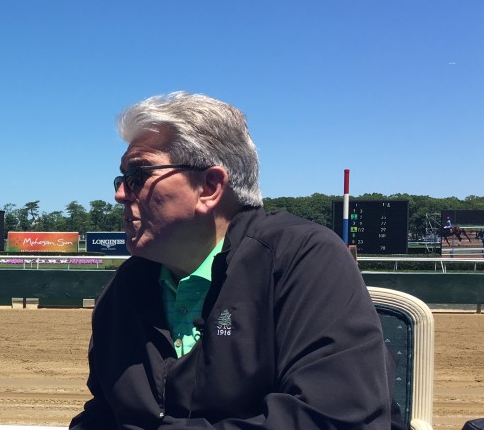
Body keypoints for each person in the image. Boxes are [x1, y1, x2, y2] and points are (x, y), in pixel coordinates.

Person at [70, 92, 401, 429]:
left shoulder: (303, 257)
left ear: (209, 187)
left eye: (138, 175)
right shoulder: (126, 286)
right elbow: (104, 413)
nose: (120, 194)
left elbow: (335, 419)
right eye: (121, 179)